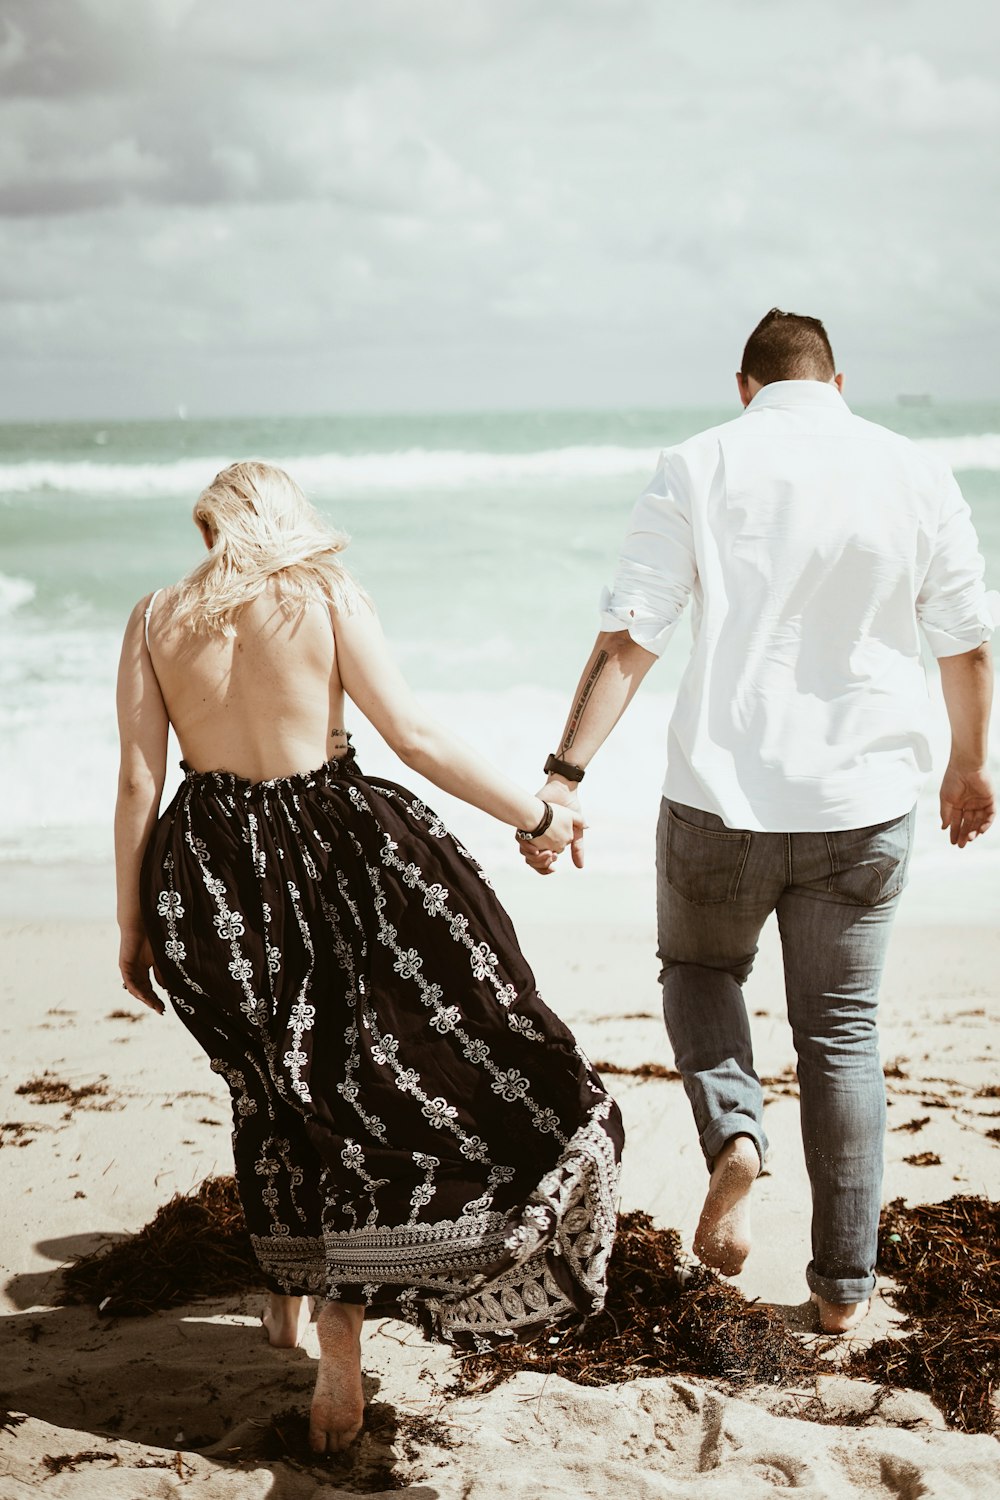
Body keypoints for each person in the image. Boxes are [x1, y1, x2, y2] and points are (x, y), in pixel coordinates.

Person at [114, 460, 623, 1452]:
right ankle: (339, 1332)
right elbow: (416, 736)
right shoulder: (325, 594)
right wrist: (539, 813)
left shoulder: (151, 617)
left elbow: (139, 782)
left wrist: (133, 926)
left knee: (274, 1091)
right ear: (289, 520)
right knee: (368, 1084)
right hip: (335, 852)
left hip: (209, 877)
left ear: (213, 528)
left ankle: (285, 1298)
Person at [520, 310, 996, 1335]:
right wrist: (967, 767)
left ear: (744, 386)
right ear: (839, 381)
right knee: (841, 1033)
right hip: (863, 806)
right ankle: (839, 1289)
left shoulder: (697, 464)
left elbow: (629, 637)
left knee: (699, 973)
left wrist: (563, 777)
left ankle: (734, 1132)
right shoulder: (913, 470)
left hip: (719, 802)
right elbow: (965, 639)